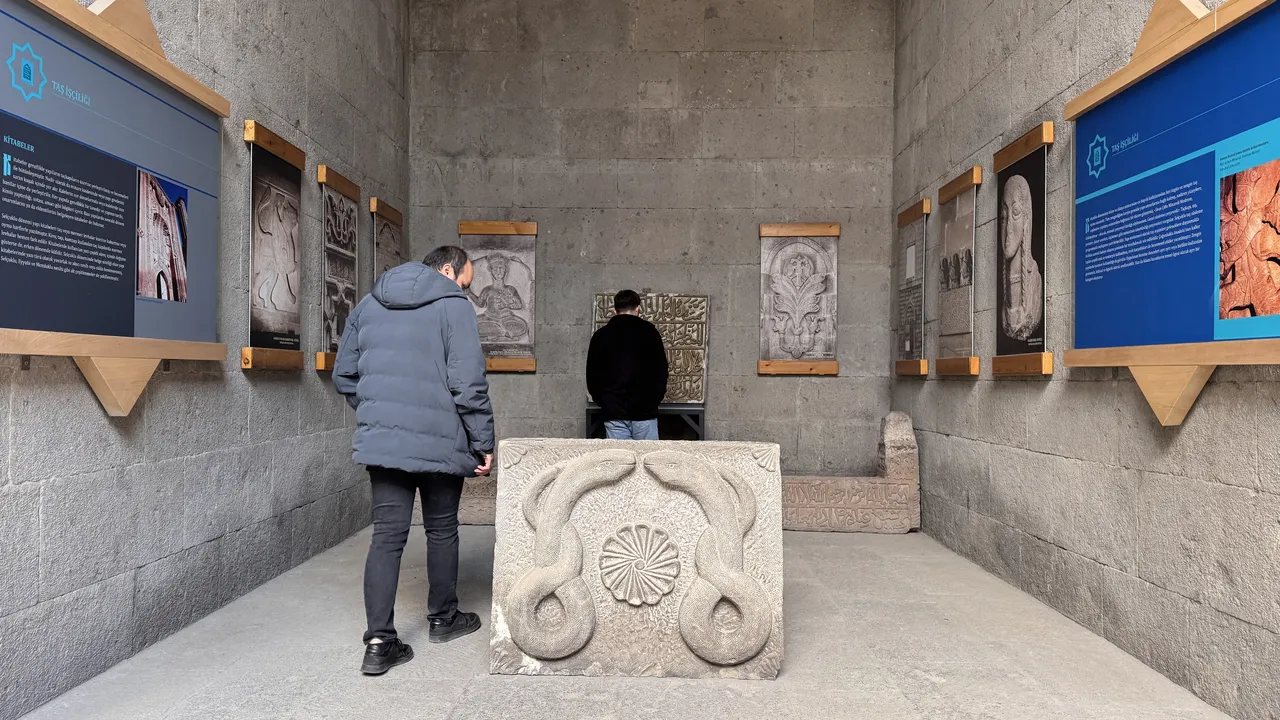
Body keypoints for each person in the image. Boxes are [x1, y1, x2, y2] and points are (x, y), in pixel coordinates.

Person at [333, 245, 495, 676]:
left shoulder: (369, 303)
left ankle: (378, 644)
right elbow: (467, 382)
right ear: (449, 271)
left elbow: (344, 374)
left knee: (387, 536)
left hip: (384, 443)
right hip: (441, 440)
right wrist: (483, 442)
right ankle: (444, 619)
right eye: (466, 282)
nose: (466, 291)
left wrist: (380, 413)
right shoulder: (453, 306)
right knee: (441, 529)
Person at [586, 289, 669, 440]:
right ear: (638, 308)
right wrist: (653, 401)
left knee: (620, 455)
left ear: (615, 310)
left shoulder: (601, 335)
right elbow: (661, 371)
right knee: (648, 454)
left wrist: (605, 402)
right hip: (645, 411)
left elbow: (592, 376)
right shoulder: (650, 333)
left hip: (613, 412)